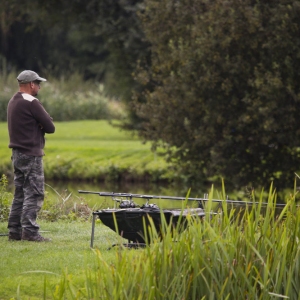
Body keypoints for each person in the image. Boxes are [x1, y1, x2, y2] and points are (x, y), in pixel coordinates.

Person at [7, 70, 55, 242]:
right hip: (31, 154)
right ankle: (30, 232)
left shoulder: (13, 100)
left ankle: (14, 231)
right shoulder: (32, 101)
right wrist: (41, 124)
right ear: (31, 84)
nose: (39, 86)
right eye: (38, 83)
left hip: (17, 154)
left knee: (20, 193)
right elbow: (50, 126)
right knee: (34, 193)